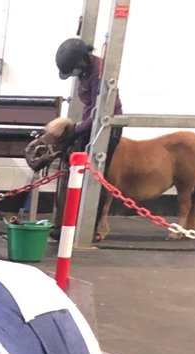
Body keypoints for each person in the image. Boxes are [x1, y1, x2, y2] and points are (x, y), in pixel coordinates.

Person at [55, 38, 123, 226]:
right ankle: (67, 220)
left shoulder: (99, 73)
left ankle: (90, 226)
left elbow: (99, 111)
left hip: (105, 125)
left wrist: (77, 129)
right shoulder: (84, 71)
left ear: (81, 62)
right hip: (90, 122)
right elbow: (89, 109)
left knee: (97, 174)